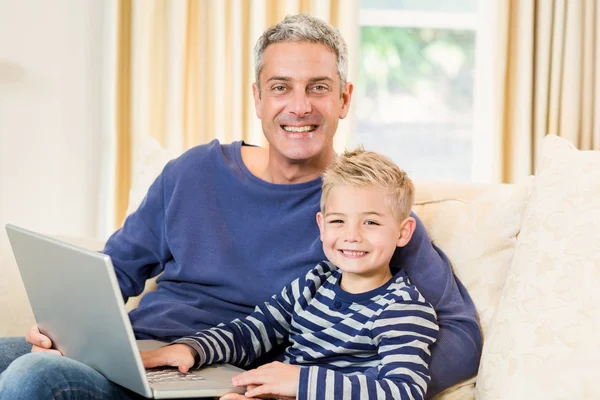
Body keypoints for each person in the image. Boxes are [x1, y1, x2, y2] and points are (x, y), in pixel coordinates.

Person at [0, 13, 481, 399]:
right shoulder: (191, 172)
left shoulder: (369, 216)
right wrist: (63, 325)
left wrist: (316, 385)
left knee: (32, 379)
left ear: (343, 99)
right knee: (23, 358)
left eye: (318, 87)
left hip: (224, 381)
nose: (299, 106)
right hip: (145, 353)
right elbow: (111, 272)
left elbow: (460, 336)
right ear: (257, 98)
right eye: (280, 87)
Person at [142, 148, 439, 400]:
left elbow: (404, 391)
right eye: (338, 221)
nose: (352, 236)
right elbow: (253, 332)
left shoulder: (403, 310)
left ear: (403, 232)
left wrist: (301, 382)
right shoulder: (314, 283)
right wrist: (192, 349)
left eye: (371, 223)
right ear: (321, 226)